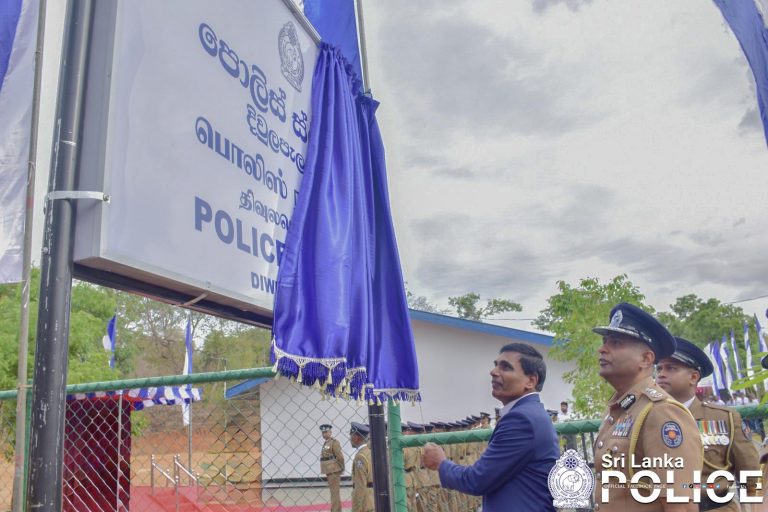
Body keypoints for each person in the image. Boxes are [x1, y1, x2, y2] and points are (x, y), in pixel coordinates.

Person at [422, 343, 559, 512]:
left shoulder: (521, 419)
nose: (494, 372)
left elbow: (477, 480)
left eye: (505, 367)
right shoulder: (531, 413)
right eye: (496, 365)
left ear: (530, 381)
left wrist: (441, 463)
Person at [593, 302, 703, 511]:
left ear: (645, 359)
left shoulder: (661, 412)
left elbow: (680, 505)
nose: (602, 349)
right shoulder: (620, 408)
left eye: (615, 343)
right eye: (605, 342)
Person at [656, 337, 761, 511]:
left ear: (693, 377)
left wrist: (752, 507)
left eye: (671, 368)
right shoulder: (645, 417)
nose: (661, 374)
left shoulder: (724, 418)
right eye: (659, 368)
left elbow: (749, 473)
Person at [319, 424, 345, 512]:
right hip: (329, 470)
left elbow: (340, 457)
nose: (324, 434)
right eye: (323, 432)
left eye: (326, 432)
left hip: (334, 470)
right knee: (333, 491)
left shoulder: (334, 442)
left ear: (330, 432)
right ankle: (336, 509)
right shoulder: (326, 443)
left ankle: (335, 510)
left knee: (334, 492)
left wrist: (341, 468)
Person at [349, 422, 373, 512]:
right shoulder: (370, 451)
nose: (350, 439)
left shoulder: (360, 456)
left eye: (351, 436)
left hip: (364, 501)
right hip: (372, 497)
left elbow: (360, 485)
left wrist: (358, 507)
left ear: (356, 438)